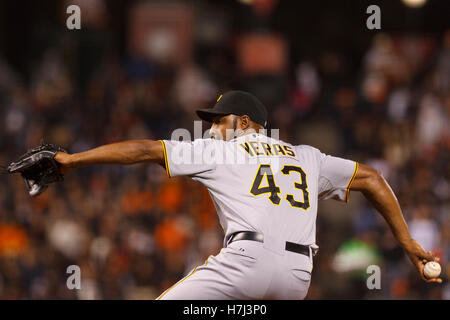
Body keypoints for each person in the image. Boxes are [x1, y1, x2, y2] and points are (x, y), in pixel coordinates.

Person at [54, 90, 442, 300]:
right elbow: (373, 179)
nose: (208, 130)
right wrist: (407, 241)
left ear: (242, 122)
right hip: (297, 277)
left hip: (247, 262)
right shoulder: (308, 157)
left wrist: (72, 160)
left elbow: (144, 150)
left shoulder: (223, 150)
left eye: (216, 121)